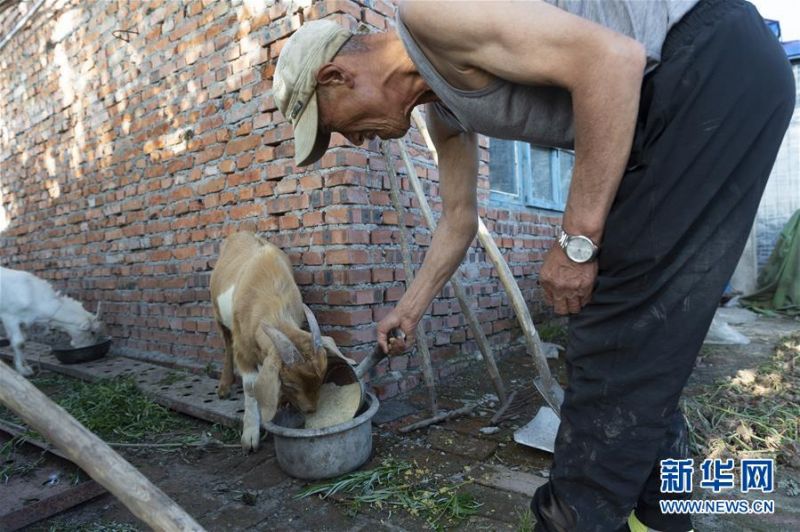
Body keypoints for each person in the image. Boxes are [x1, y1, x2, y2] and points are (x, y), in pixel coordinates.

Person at [273, 1, 795, 530]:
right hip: (670, 110)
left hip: (703, 68)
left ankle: (572, 519)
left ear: (336, 76)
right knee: (641, 344)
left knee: (613, 338)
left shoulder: (429, 15)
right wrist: (408, 311)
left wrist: (575, 243)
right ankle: (662, 515)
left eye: (332, 125)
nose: (352, 139)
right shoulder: (444, 111)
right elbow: (457, 219)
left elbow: (610, 61)